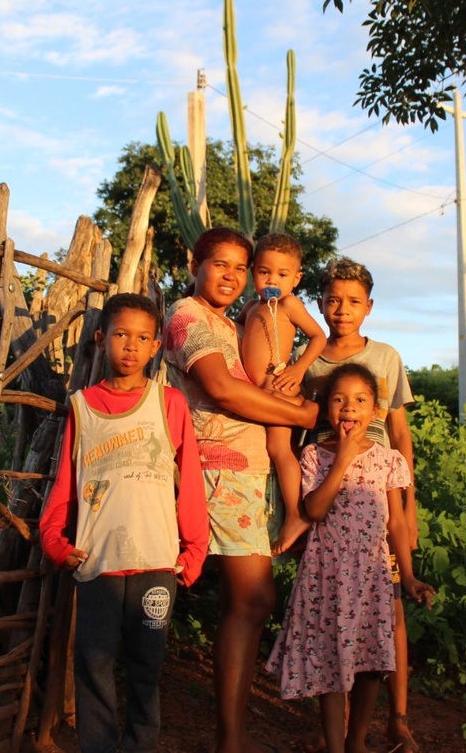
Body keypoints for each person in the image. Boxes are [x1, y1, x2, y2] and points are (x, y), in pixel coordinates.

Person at [162, 227, 319, 753]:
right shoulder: (186, 316)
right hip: (222, 470)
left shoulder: (227, 323)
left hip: (249, 471)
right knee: (253, 599)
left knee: (244, 601)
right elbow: (224, 391)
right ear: (194, 265)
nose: (230, 275)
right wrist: (303, 413)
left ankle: (232, 733)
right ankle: (230, 738)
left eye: (238, 266)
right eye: (220, 264)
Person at [38, 293, 209, 753]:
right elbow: (67, 482)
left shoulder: (169, 404)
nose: (130, 346)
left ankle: (140, 746)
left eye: (141, 338)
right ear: (101, 340)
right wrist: (54, 540)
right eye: (120, 335)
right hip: (98, 562)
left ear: (156, 347)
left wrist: (194, 550)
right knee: (93, 663)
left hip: (157, 560)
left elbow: (189, 479)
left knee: (146, 666)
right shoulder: (83, 407)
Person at [266, 363, 434, 753]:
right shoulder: (313, 456)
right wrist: (341, 459)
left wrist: (406, 576)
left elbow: (394, 525)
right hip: (327, 574)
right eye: (339, 400)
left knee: (372, 664)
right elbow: (315, 510)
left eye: (360, 401)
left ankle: (357, 742)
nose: (349, 409)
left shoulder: (387, 459)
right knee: (331, 666)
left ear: (375, 410)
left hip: (374, 574)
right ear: (327, 410)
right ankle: (336, 746)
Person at [299, 256, 422, 752]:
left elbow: (399, 436)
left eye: (352, 302)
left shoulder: (387, 357)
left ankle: (393, 719)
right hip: (329, 500)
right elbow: (297, 426)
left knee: (386, 617)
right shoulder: (311, 358)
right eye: (332, 300)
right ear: (320, 304)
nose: (341, 310)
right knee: (333, 629)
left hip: (379, 499)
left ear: (368, 307)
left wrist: (409, 512)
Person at [237, 232, 327, 555]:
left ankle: (295, 515)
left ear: (296, 278)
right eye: (264, 272)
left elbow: (318, 337)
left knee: (279, 449)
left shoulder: (289, 304)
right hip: (256, 393)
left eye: (282, 274)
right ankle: (276, 512)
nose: (271, 279)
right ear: (253, 273)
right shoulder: (249, 309)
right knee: (268, 453)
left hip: (279, 388)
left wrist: (298, 369)